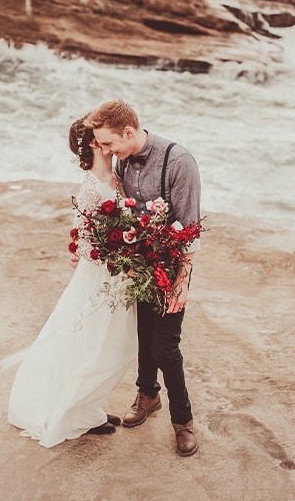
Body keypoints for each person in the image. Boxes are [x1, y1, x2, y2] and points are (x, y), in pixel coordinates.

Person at [7, 117, 137, 448]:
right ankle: (75, 412)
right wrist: (118, 257)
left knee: (116, 345)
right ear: (94, 142)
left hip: (119, 274)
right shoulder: (91, 187)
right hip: (101, 276)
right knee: (96, 345)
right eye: (101, 135)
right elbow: (84, 241)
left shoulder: (117, 175)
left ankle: (87, 407)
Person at [83, 99, 202, 457]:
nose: (105, 151)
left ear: (129, 132)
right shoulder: (122, 159)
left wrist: (181, 283)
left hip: (171, 269)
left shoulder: (178, 162)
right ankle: (148, 394)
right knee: (143, 333)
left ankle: (183, 421)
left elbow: (192, 229)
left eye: (107, 143)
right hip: (138, 266)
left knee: (166, 346)